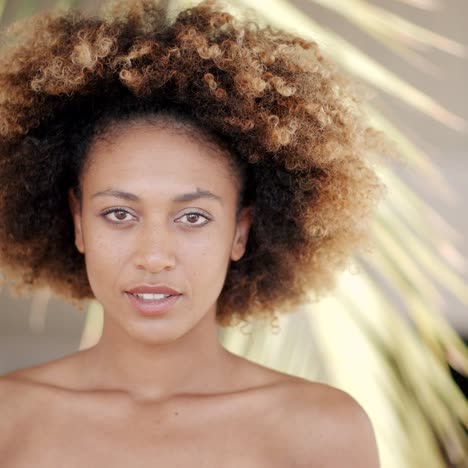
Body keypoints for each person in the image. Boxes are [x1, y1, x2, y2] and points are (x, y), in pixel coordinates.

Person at [0, 0, 384, 465]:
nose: (154, 256)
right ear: (78, 222)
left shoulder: (321, 431)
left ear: (240, 232)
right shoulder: (10, 420)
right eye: (119, 214)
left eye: (193, 217)